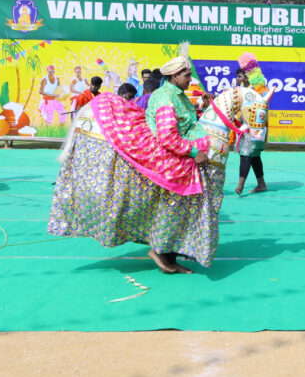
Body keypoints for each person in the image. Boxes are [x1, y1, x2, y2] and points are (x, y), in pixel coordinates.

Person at [48, 52, 224, 274]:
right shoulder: (166, 99)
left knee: (181, 202)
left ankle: (169, 251)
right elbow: (168, 137)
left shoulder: (178, 94)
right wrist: (193, 151)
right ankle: (161, 252)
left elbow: (186, 125)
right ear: (174, 76)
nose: (190, 79)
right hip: (166, 155)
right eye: (187, 75)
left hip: (178, 151)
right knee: (178, 198)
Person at [234, 54, 270, 195]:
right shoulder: (242, 91)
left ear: (247, 77)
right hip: (246, 128)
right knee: (254, 156)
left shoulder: (258, 91)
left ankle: (240, 185)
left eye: (239, 77)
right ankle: (261, 184)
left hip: (254, 129)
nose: (237, 79)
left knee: (246, 155)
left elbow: (261, 110)